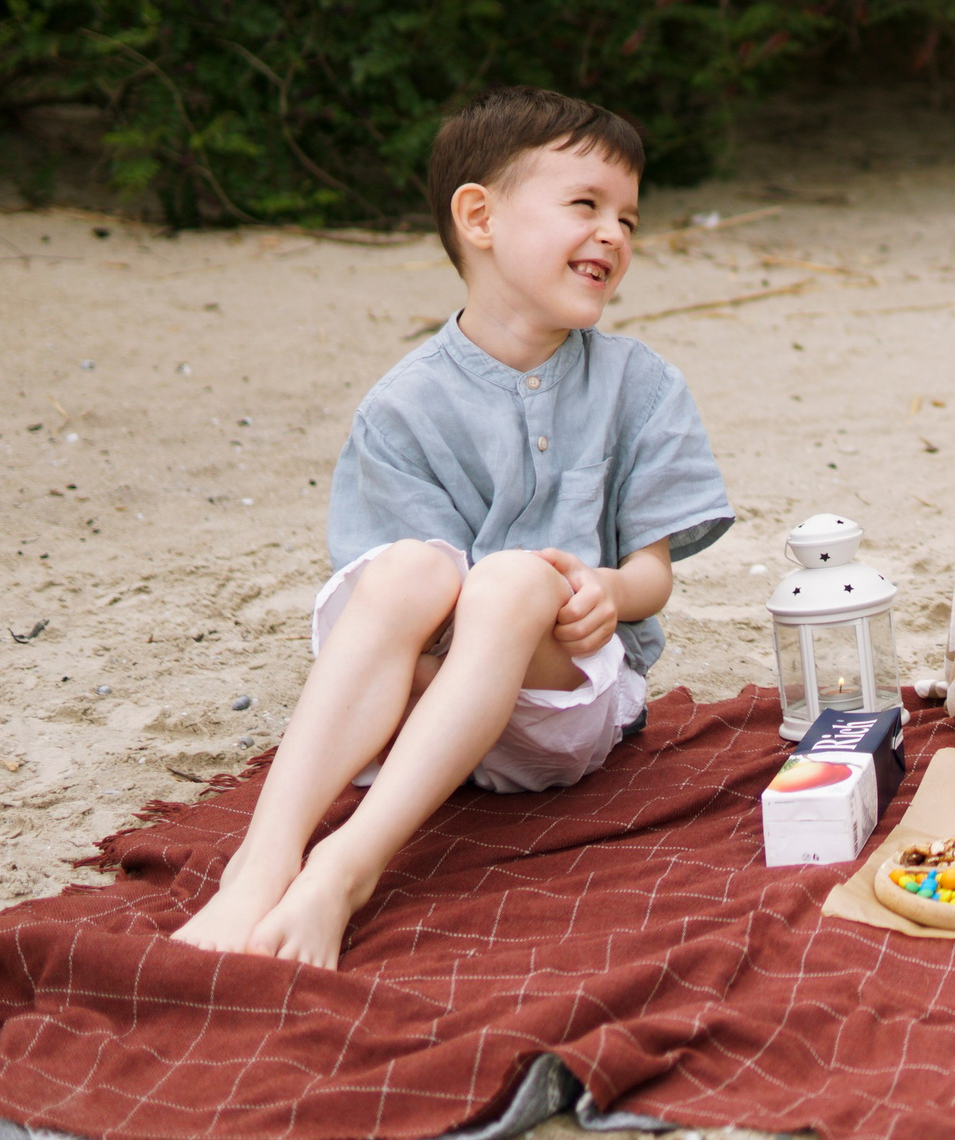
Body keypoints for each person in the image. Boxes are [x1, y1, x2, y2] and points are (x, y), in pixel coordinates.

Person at [170, 88, 732, 969]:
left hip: (566, 699)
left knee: (512, 578)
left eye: (629, 215)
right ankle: (263, 858)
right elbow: (400, 616)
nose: (615, 233)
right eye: (585, 204)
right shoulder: (404, 404)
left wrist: (607, 591)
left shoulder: (641, 384)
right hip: (426, 702)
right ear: (479, 216)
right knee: (401, 571)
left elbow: (652, 574)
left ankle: (342, 872)